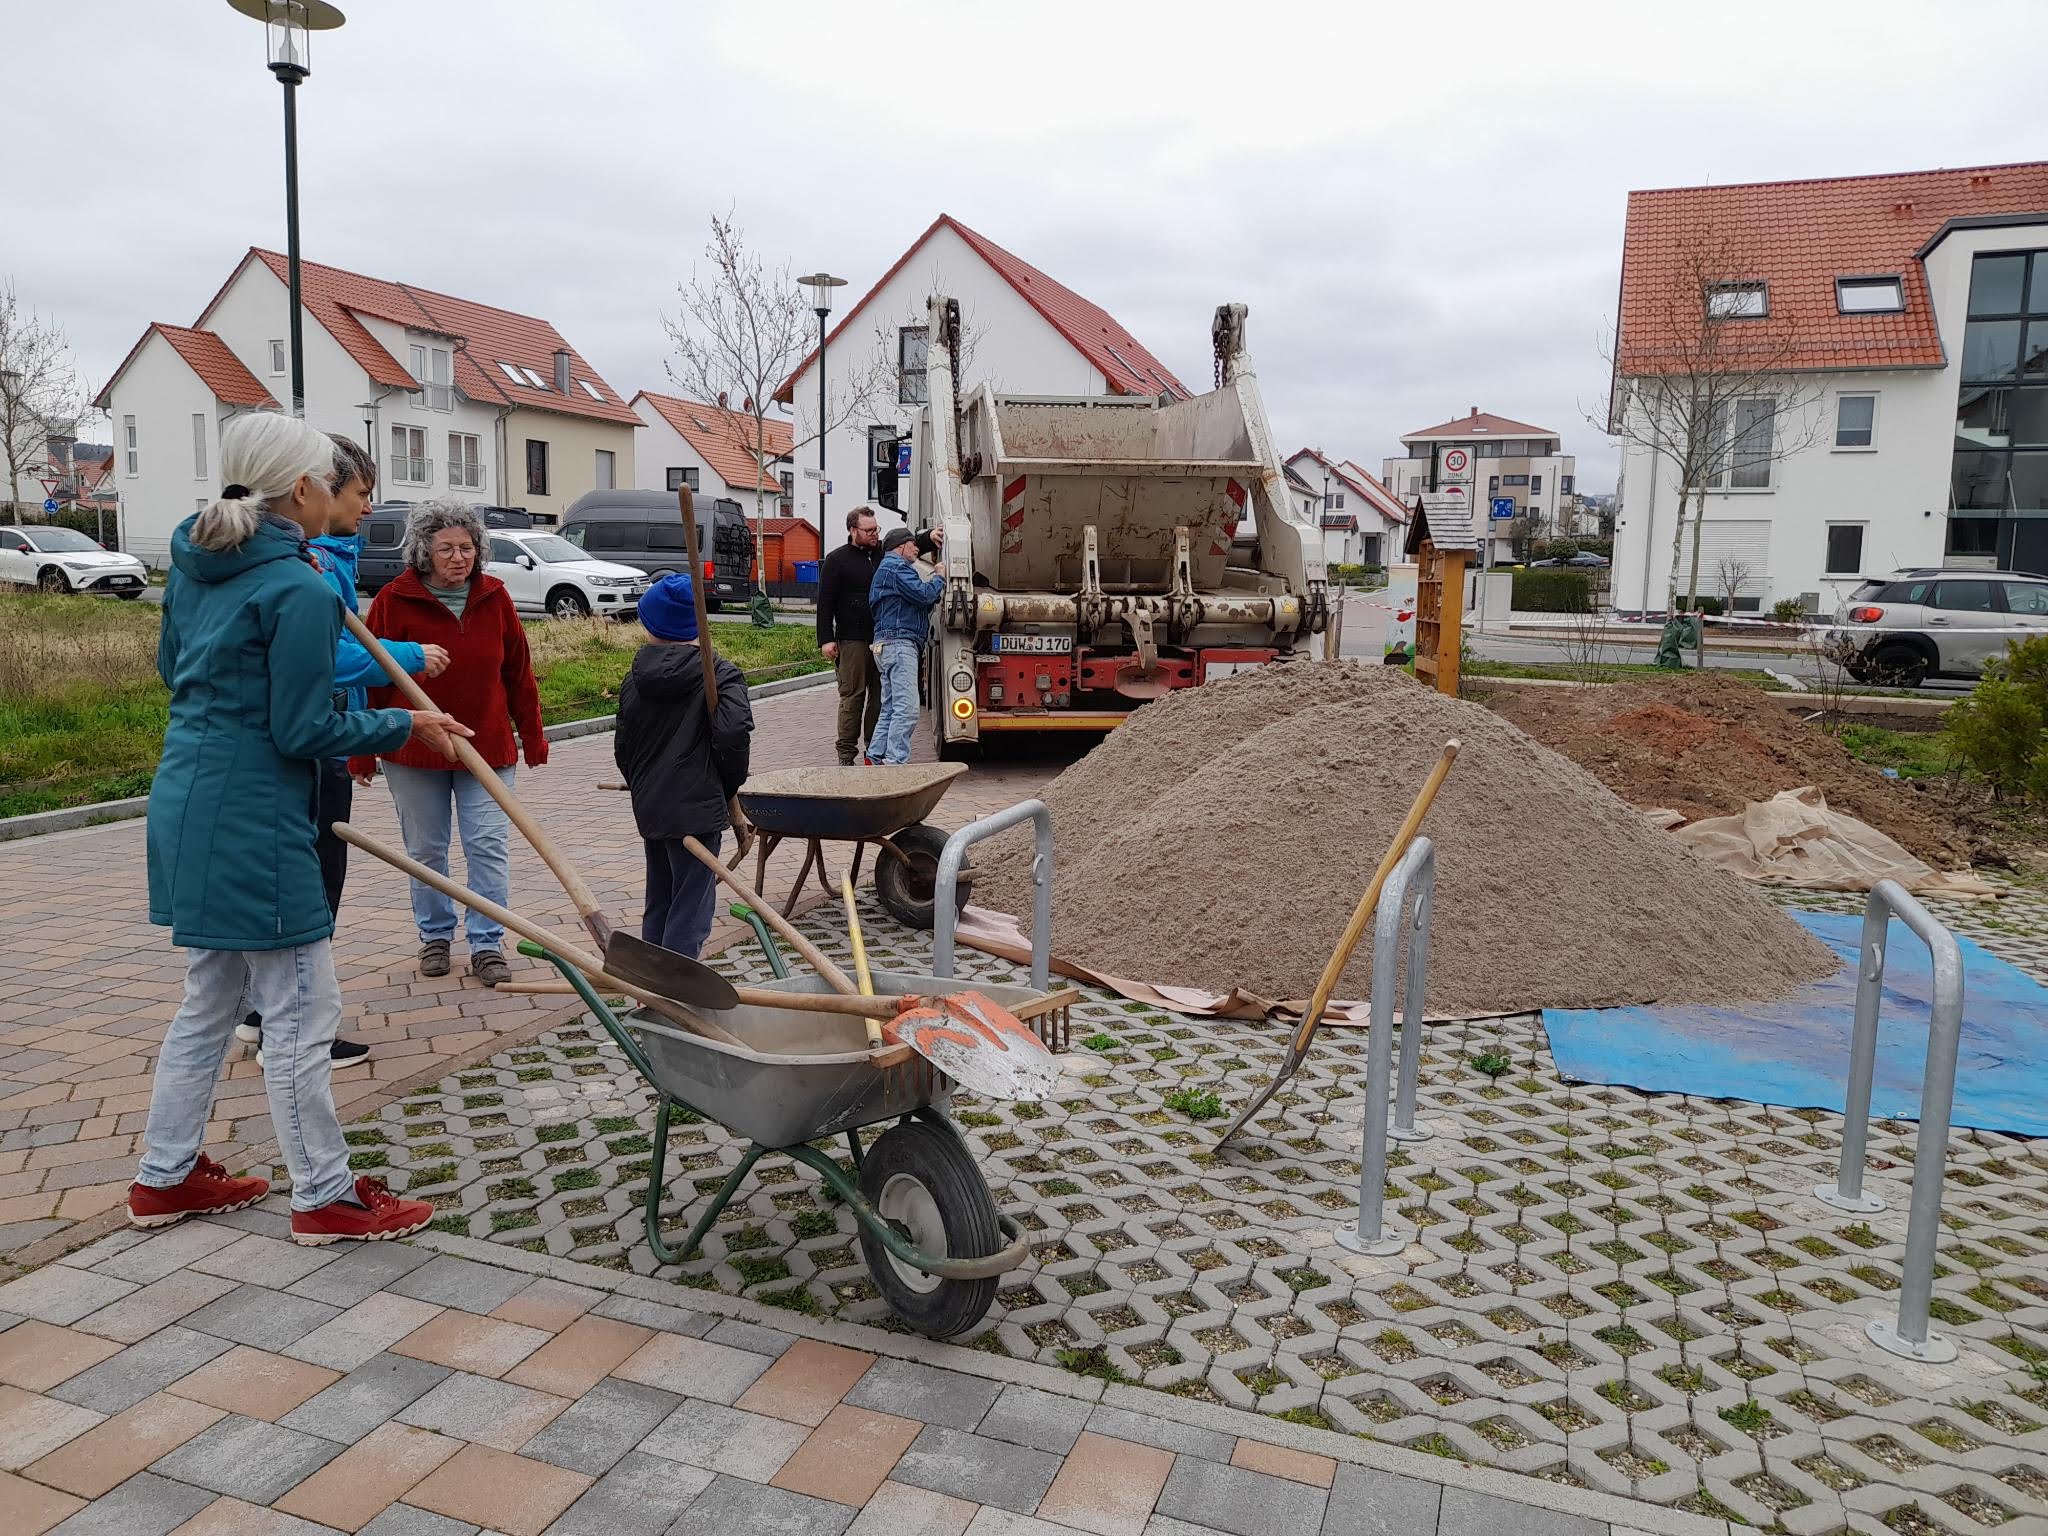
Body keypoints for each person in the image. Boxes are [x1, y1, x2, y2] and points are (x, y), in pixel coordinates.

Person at [131, 411, 467, 1242]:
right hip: (254, 817)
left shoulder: (195, 563)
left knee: (212, 1000)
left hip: (186, 797)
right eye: (333, 483)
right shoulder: (299, 587)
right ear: (305, 489)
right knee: (303, 1008)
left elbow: (175, 671)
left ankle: (164, 1176)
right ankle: (325, 1195)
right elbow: (304, 728)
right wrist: (404, 724)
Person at [237, 437, 450, 1069]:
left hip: (298, 744)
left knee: (293, 892)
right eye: (360, 493)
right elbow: (324, 661)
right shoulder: (307, 571)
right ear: (315, 490)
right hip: (309, 746)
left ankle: (262, 1015)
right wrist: (406, 669)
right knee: (313, 887)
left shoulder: (312, 561)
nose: (368, 506)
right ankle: (292, 1030)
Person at [348, 501, 547, 987]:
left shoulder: (495, 597)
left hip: (486, 746)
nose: (459, 557)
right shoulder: (394, 600)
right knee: (426, 850)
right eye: (446, 549)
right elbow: (370, 675)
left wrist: (532, 734)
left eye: (467, 547)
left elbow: (518, 672)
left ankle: (486, 943)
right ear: (423, 551)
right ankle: (435, 936)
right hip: (416, 749)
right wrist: (363, 747)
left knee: (487, 846)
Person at [614, 573, 754, 957]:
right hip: (698, 808)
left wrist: (642, 784)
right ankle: (676, 984)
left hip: (652, 806)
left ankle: (651, 979)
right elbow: (734, 735)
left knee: (660, 897)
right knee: (691, 908)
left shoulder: (634, 679)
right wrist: (726, 787)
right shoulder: (718, 674)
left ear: (649, 625)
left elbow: (623, 748)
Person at [867, 524, 946, 765]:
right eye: (913, 545)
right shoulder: (897, 568)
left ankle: (875, 757)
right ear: (901, 546)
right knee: (908, 709)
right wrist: (939, 577)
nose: (917, 549)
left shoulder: (887, 569)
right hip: (900, 644)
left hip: (887, 645)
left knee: (890, 707)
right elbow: (924, 594)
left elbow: (916, 600)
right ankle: (894, 763)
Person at [816, 507, 884, 765]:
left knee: (879, 698)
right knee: (853, 697)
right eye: (869, 530)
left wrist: (928, 537)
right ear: (853, 530)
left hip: (882, 638)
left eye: (876, 529)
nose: (874, 534)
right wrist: (826, 639)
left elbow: (908, 544)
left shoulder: (883, 554)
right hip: (852, 639)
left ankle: (874, 751)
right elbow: (825, 602)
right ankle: (846, 755)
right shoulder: (837, 560)